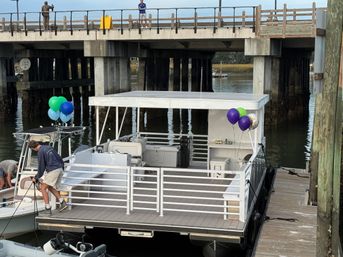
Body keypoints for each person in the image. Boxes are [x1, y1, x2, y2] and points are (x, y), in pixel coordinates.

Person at [28, 140, 66, 214]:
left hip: (53, 170)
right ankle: (62, 202)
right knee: (49, 186)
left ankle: (47, 208)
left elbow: (41, 167)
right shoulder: (49, 147)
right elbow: (59, 158)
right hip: (60, 169)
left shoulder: (40, 152)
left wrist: (35, 178)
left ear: (33, 148)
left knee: (43, 188)